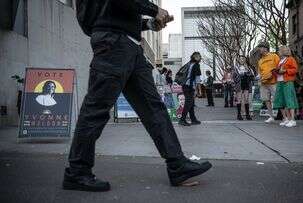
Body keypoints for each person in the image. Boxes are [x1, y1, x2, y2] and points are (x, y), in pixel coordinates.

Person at [63, 1, 212, 192]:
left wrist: (148, 24)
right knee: (95, 110)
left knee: (154, 108)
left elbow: (116, 10)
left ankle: (177, 165)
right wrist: (155, 9)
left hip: (130, 46)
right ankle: (77, 172)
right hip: (113, 43)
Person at [273, 46, 299, 127]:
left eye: (279, 51)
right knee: (280, 100)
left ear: (284, 51)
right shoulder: (280, 61)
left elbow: (295, 69)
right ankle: (286, 118)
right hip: (280, 82)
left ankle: (292, 120)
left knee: (289, 99)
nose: (278, 52)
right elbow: (278, 71)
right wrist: (275, 71)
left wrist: (285, 70)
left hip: (287, 82)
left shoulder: (290, 59)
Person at [257, 41, 280, 123]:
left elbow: (279, 67)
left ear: (265, 48)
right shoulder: (260, 61)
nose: (259, 49)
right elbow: (259, 72)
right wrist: (259, 79)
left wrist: (273, 73)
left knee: (278, 99)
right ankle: (271, 117)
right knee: (266, 100)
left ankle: (285, 117)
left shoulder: (274, 56)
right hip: (263, 83)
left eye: (260, 47)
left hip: (273, 82)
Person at [178, 52, 202, 126]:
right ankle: (182, 120)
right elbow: (197, 80)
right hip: (189, 86)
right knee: (188, 103)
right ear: (196, 57)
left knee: (191, 103)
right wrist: (199, 91)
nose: (200, 58)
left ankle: (193, 119)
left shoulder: (189, 64)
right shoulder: (196, 65)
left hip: (185, 85)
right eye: (199, 56)